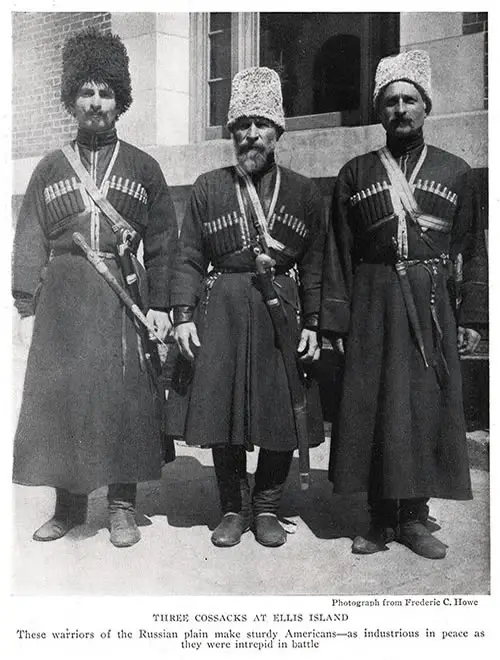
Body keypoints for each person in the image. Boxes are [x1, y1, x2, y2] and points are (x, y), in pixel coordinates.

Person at [12, 29, 178, 548]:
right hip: (62, 303)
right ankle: (68, 508)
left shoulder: (143, 168)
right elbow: (29, 238)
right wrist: (25, 307)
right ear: (71, 99)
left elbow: (167, 245)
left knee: (124, 399)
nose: (96, 102)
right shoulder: (49, 168)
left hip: (121, 300)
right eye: (86, 92)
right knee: (64, 400)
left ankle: (123, 507)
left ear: (120, 100)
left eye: (106, 92)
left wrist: (167, 309)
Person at [320, 50, 488, 559]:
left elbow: (472, 250)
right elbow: (338, 252)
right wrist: (336, 320)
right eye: (390, 101)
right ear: (379, 110)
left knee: (420, 406)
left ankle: (414, 517)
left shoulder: (457, 172)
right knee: (373, 406)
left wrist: (475, 317)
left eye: (409, 99)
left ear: (425, 106)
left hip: (431, 303)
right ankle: (378, 518)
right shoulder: (355, 173)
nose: (400, 109)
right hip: (372, 304)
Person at [169, 67, 335, 548]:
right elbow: (189, 256)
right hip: (220, 310)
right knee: (223, 411)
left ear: (278, 130)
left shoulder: (304, 191)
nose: (251, 133)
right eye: (242, 124)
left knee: (281, 410)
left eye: (261, 123)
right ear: (231, 132)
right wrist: (182, 314)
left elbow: (318, 262)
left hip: (280, 310)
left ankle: (265, 508)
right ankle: (233, 508)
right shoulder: (207, 186)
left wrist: (315, 323)